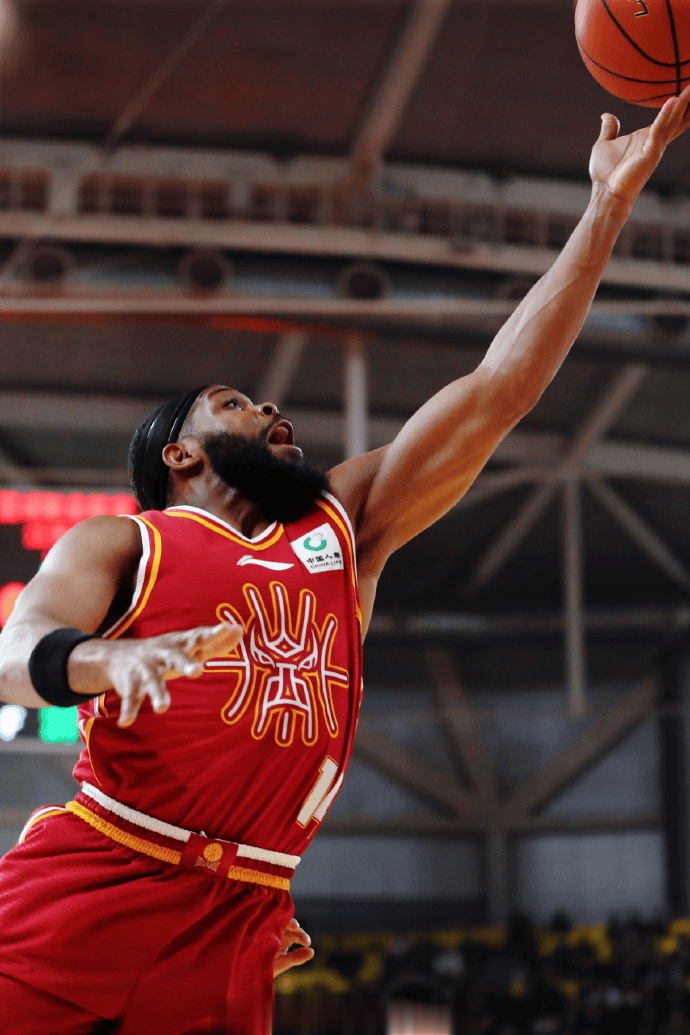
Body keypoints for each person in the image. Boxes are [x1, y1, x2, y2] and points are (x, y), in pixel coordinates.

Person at [0, 92, 689, 1035]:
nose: (271, 412)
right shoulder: (129, 542)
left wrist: (607, 205)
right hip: (94, 880)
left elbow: (498, 389)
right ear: (179, 454)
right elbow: (14, 654)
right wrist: (106, 659)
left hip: (237, 917)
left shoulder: (344, 524)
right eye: (236, 403)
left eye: (268, 406)